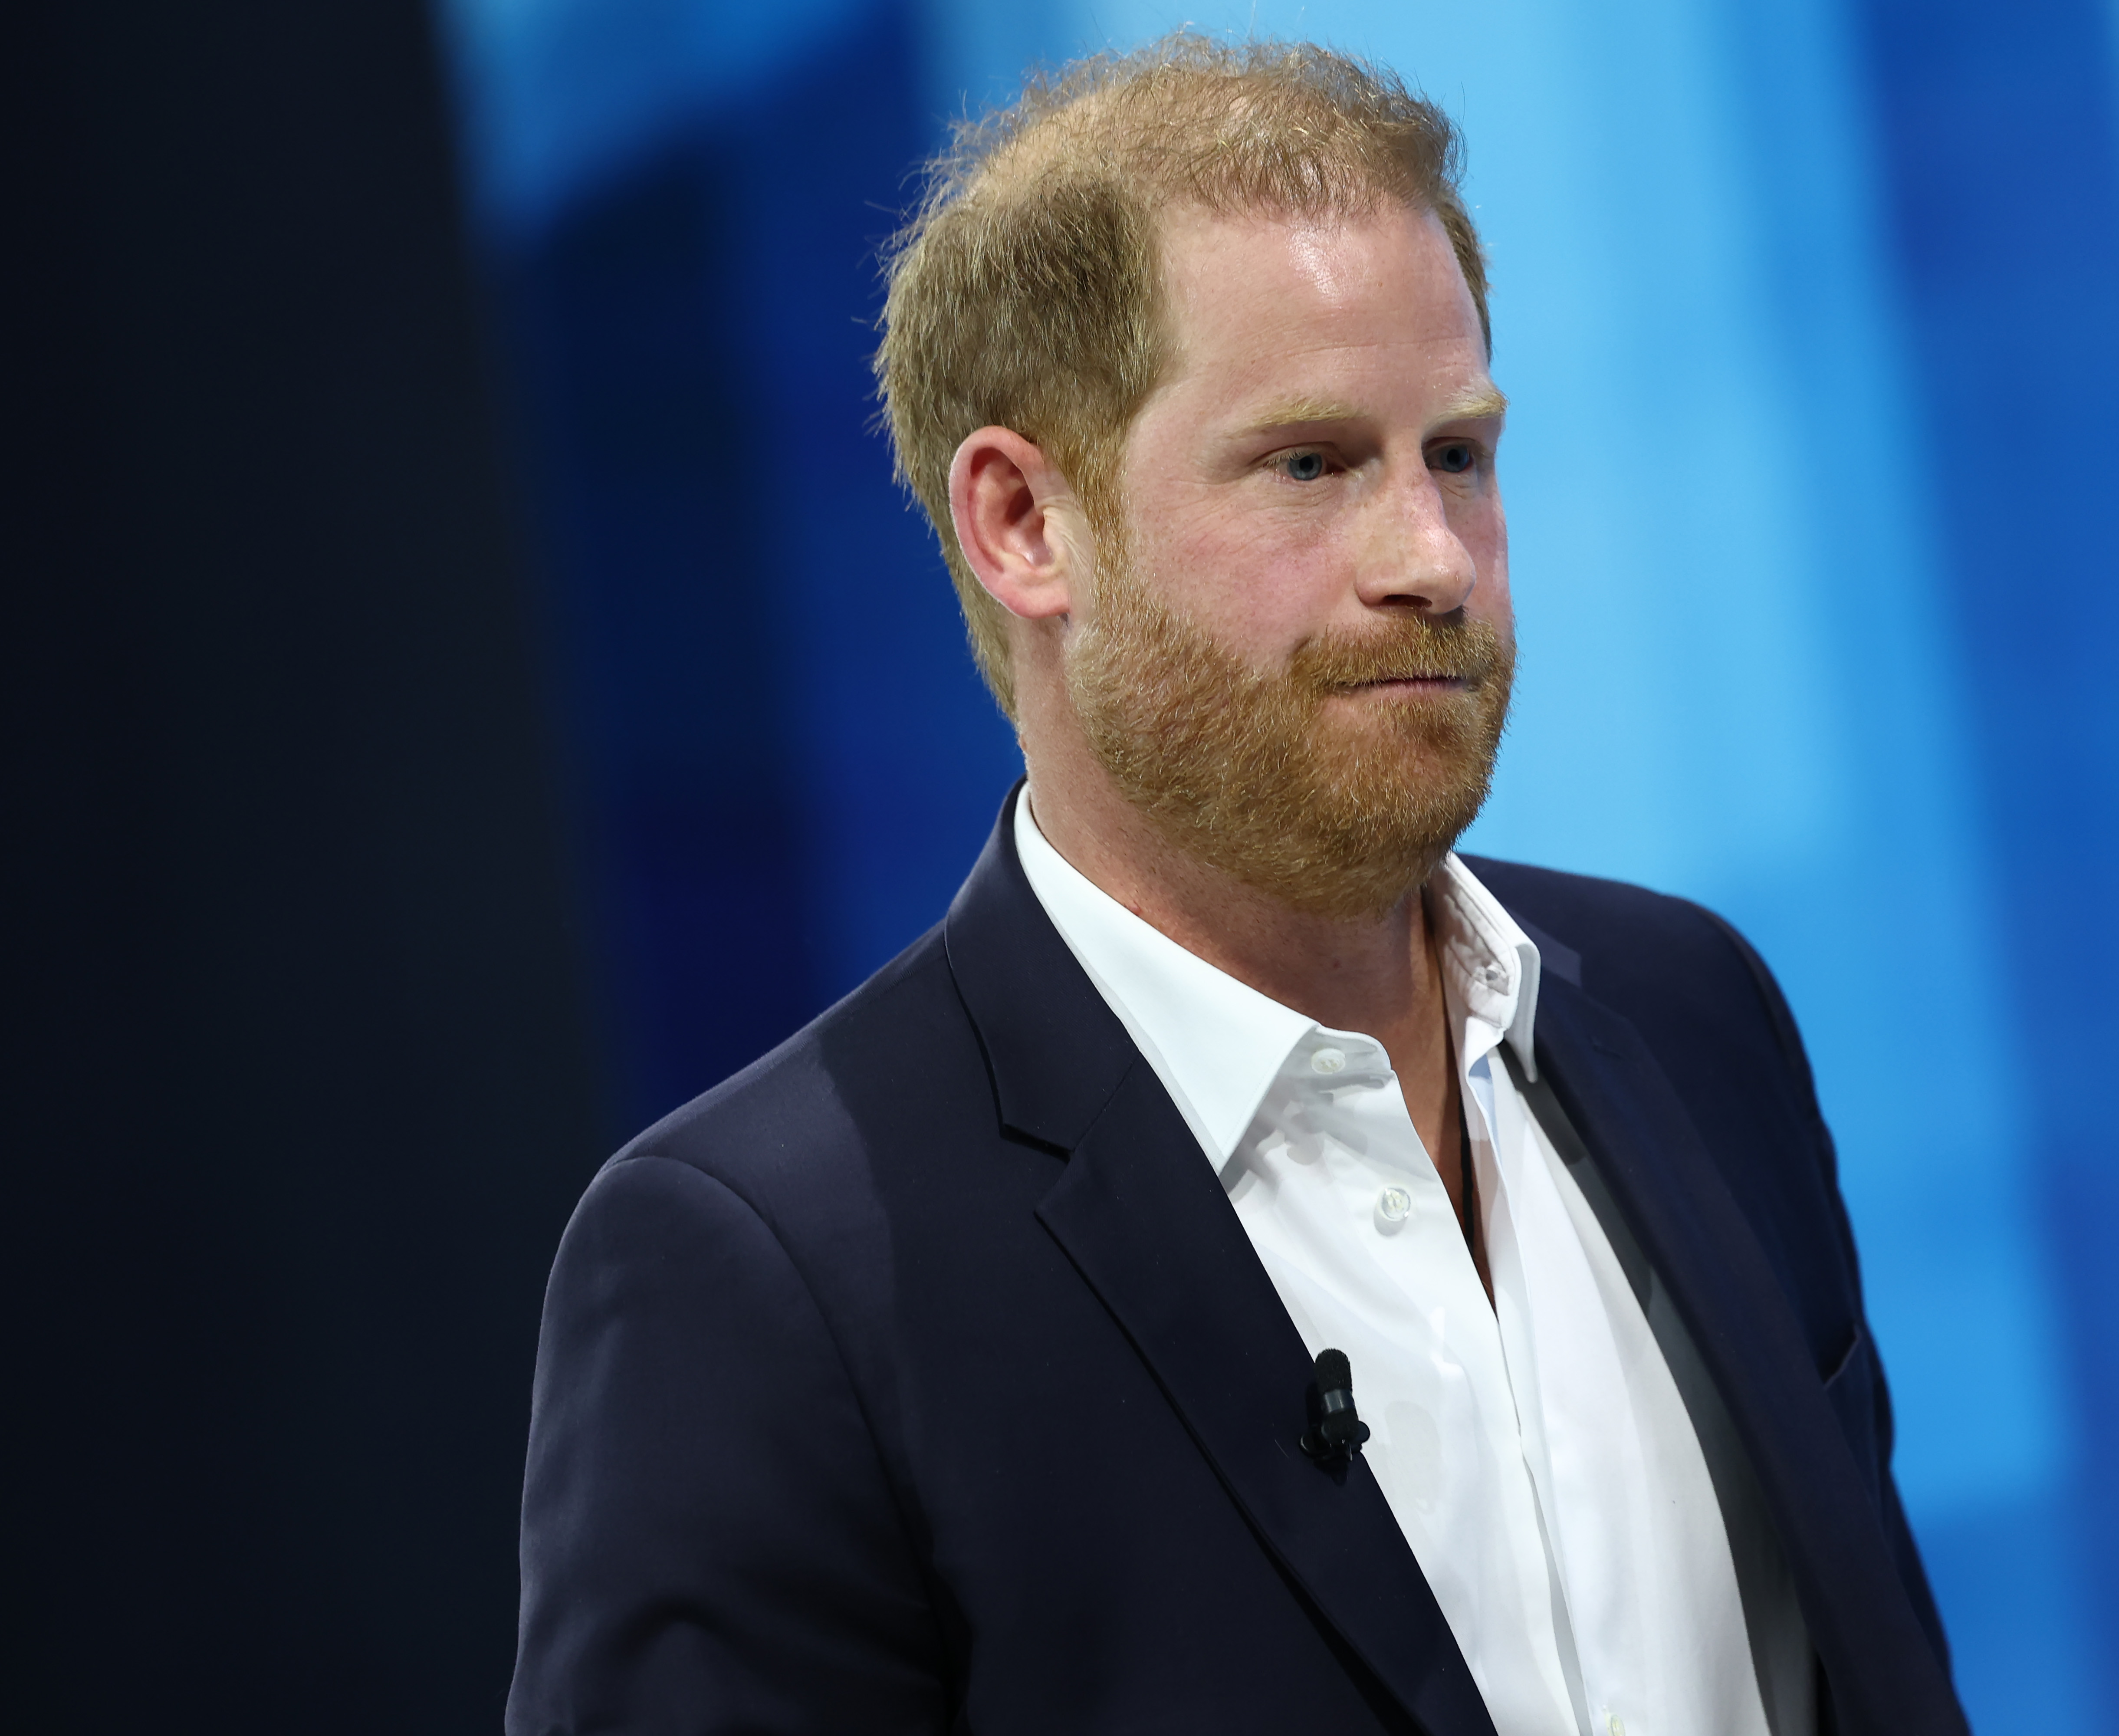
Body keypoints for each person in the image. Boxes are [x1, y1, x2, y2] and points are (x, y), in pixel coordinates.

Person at [508, 35, 1965, 1736]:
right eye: (1312, 464)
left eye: (1462, 457)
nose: (1431, 558)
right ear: (1023, 524)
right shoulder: (765, 1275)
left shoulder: (1694, 1022)